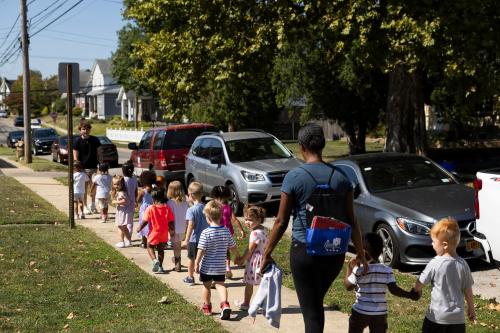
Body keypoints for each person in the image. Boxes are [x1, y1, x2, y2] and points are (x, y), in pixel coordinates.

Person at [260, 123, 368, 333]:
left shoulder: (294, 177)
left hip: (304, 253)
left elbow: (281, 221)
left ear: (301, 146)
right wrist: (361, 254)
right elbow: (353, 220)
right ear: (323, 145)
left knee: (311, 312)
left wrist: (266, 253)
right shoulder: (342, 177)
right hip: (334, 252)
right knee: (315, 304)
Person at [344, 233, 419, 333]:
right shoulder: (386, 270)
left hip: (360, 311)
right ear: (380, 252)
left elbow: (348, 286)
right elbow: (394, 290)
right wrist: (410, 295)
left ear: (362, 251)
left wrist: (350, 267)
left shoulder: (359, 269)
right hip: (379, 314)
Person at [414, 218, 476, 333]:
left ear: (445, 245)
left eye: (433, 241)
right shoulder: (463, 264)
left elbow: (420, 283)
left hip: (436, 318)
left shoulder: (435, 263)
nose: (432, 244)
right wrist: (471, 308)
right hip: (457, 320)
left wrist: (416, 290)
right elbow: (468, 289)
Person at [195, 200, 241, 319]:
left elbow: (201, 250)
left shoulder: (206, 233)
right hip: (220, 267)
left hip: (207, 267)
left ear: (208, 217)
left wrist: (196, 263)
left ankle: (207, 308)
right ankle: (225, 304)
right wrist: (237, 256)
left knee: (206, 286)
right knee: (220, 285)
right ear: (220, 216)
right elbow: (233, 247)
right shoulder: (226, 231)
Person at [234, 205, 268, 311]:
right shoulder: (264, 229)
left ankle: (246, 303)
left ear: (259, 219)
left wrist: (242, 259)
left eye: (250, 220)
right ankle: (263, 303)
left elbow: (250, 249)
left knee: (249, 283)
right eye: (246, 219)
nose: (247, 222)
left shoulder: (254, 233)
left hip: (254, 262)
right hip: (263, 260)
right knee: (262, 283)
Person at [138, 184, 175, 273]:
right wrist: (172, 231)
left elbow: (145, 221)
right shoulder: (167, 208)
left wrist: (140, 228)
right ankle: (161, 267)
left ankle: (155, 261)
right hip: (164, 233)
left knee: (149, 246)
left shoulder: (151, 208)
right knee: (161, 250)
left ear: (153, 198)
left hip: (154, 232)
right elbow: (170, 222)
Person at [210, 185, 246, 278]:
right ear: (227, 196)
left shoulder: (213, 207)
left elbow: (209, 219)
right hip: (227, 233)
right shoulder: (228, 207)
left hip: (216, 233)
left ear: (214, 196)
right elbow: (234, 219)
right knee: (226, 251)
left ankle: (218, 268)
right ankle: (227, 268)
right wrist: (241, 230)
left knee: (217, 251)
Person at [181, 181, 209, 285]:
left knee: (191, 259)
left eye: (188, 194)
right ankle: (205, 276)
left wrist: (186, 240)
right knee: (204, 258)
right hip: (205, 238)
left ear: (192, 195)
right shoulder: (206, 207)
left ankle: (190, 277)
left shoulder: (191, 210)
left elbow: (191, 225)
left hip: (194, 239)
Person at [73, 120, 101, 215]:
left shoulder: (95, 140)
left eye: (87, 129)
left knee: (94, 187)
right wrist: (78, 168)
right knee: (83, 189)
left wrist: (100, 165)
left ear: (90, 130)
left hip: (93, 167)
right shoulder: (77, 142)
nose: (85, 131)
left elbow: (99, 153)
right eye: (83, 129)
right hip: (82, 169)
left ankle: (92, 205)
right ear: (80, 130)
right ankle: (84, 206)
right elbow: (75, 156)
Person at [167, 180, 189, 272]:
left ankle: (177, 263)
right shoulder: (185, 202)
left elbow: (169, 217)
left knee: (176, 246)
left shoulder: (170, 203)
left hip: (174, 228)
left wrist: (170, 229)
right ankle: (179, 261)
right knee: (181, 245)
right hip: (183, 227)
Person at [136, 170, 157, 248]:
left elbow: (137, 200)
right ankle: (152, 241)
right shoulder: (155, 190)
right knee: (152, 225)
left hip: (144, 211)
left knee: (143, 224)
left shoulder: (142, 191)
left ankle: (144, 243)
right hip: (153, 209)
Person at [111, 175, 132, 248]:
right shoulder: (120, 191)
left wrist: (115, 202)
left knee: (121, 226)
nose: (116, 186)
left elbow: (124, 201)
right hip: (122, 211)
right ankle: (127, 240)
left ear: (122, 184)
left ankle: (123, 241)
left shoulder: (121, 192)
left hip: (122, 211)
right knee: (122, 226)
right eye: (114, 184)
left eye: (118, 184)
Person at [122, 161, 138, 237]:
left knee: (123, 220)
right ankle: (129, 236)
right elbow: (136, 190)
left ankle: (126, 237)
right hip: (132, 201)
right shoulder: (134, 179)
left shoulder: (123, 180)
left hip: (124, 202)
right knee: (130, 221)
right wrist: (136, 201)